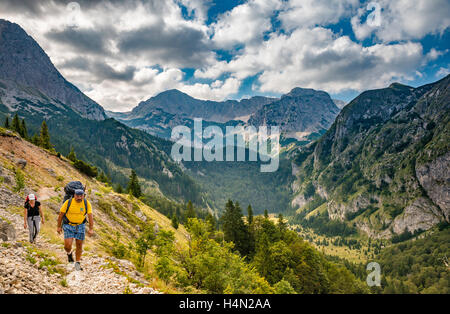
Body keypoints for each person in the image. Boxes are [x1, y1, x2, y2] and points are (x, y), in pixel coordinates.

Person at [57, 189, 94, 271]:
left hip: (80, 226)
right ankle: (69, 254)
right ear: (74, 195)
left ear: (84, 195)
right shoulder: (68, 202)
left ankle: (77, 263)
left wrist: (91, 229)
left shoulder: (86, 203)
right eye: (77, 196)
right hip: (68, 225)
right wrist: (59, 226)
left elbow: (90, 216)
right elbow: (61, 215)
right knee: (67, 246)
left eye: (81, 196)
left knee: (79, 245)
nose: (79, 197)